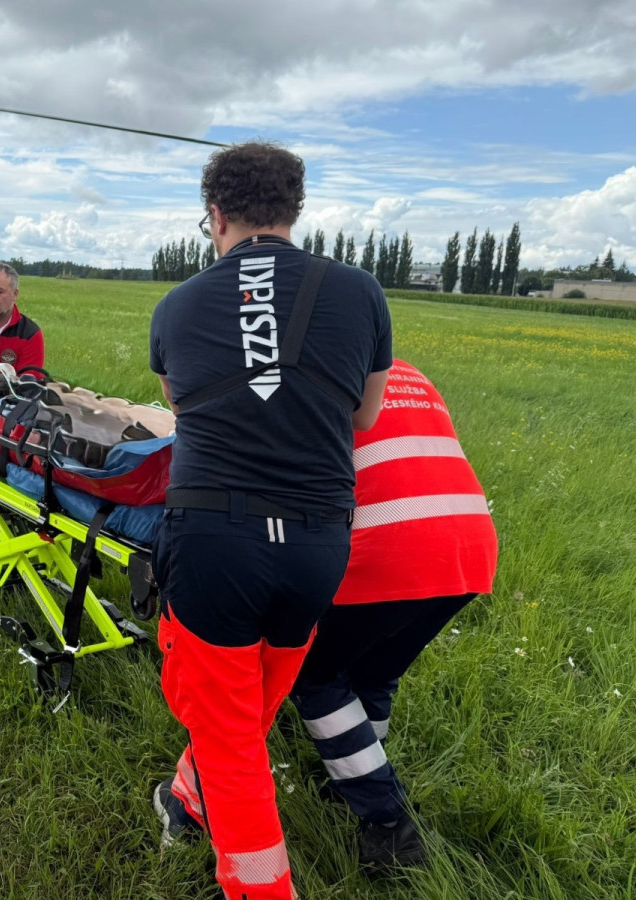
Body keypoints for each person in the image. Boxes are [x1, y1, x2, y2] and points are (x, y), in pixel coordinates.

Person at [148, 141, 391, 900]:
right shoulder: (360, 292)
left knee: (228, 737)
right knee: (249, 710)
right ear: (294, 212)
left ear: (213, 216)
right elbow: (366, 413)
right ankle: (188, 800)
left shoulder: (177, 306)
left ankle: (257, 883)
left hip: (215, 541)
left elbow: (183, 405)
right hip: (318, 542)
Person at [289, 358, 497, 871]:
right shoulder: (406, 372)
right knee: (374, 672)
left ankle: (386, 817)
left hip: (393, 545)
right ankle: (358, 771)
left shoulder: (310, 373)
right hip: (470, 540)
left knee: (313, 677)